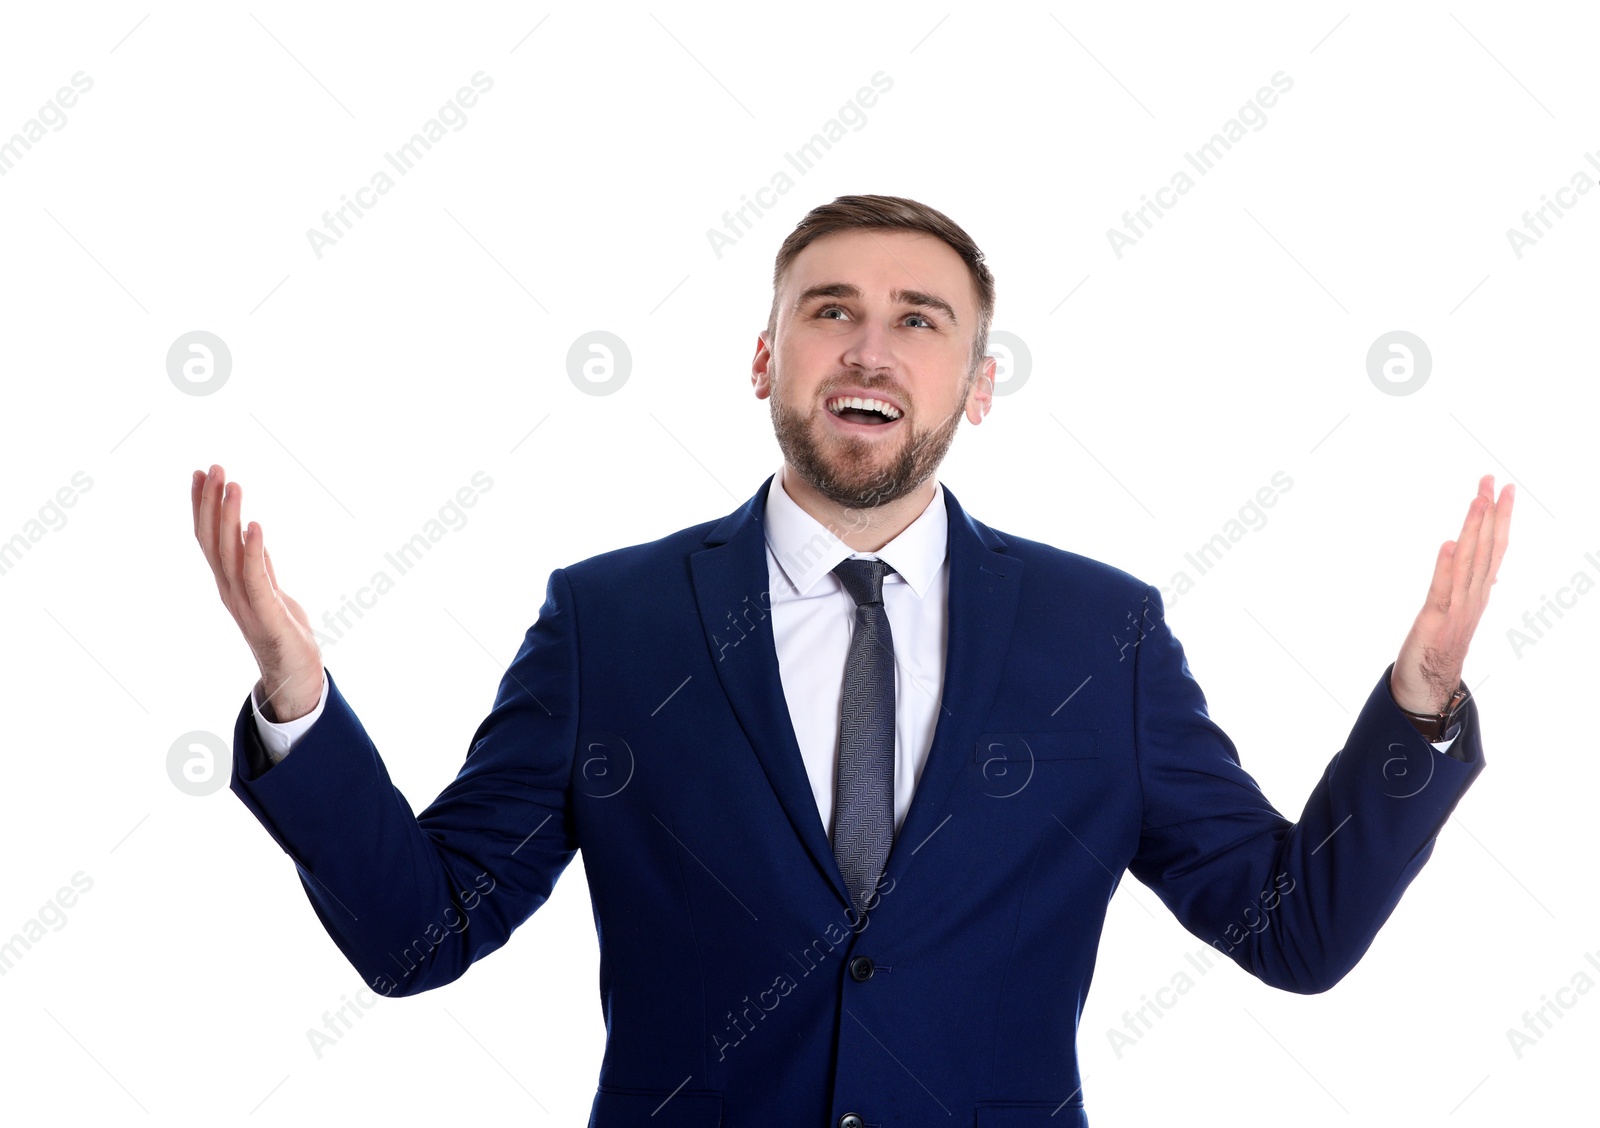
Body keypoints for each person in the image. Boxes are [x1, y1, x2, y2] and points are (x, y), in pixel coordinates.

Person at [192, 195, 1513, 1128]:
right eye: (831, 312)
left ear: (977, 385)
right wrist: (300, 707)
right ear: (769, 360)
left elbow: (1294, 933)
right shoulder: (613, 623)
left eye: (920, 321)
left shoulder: (1096, 636)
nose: (871, 347)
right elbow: (426, 934)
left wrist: (1418, 711)